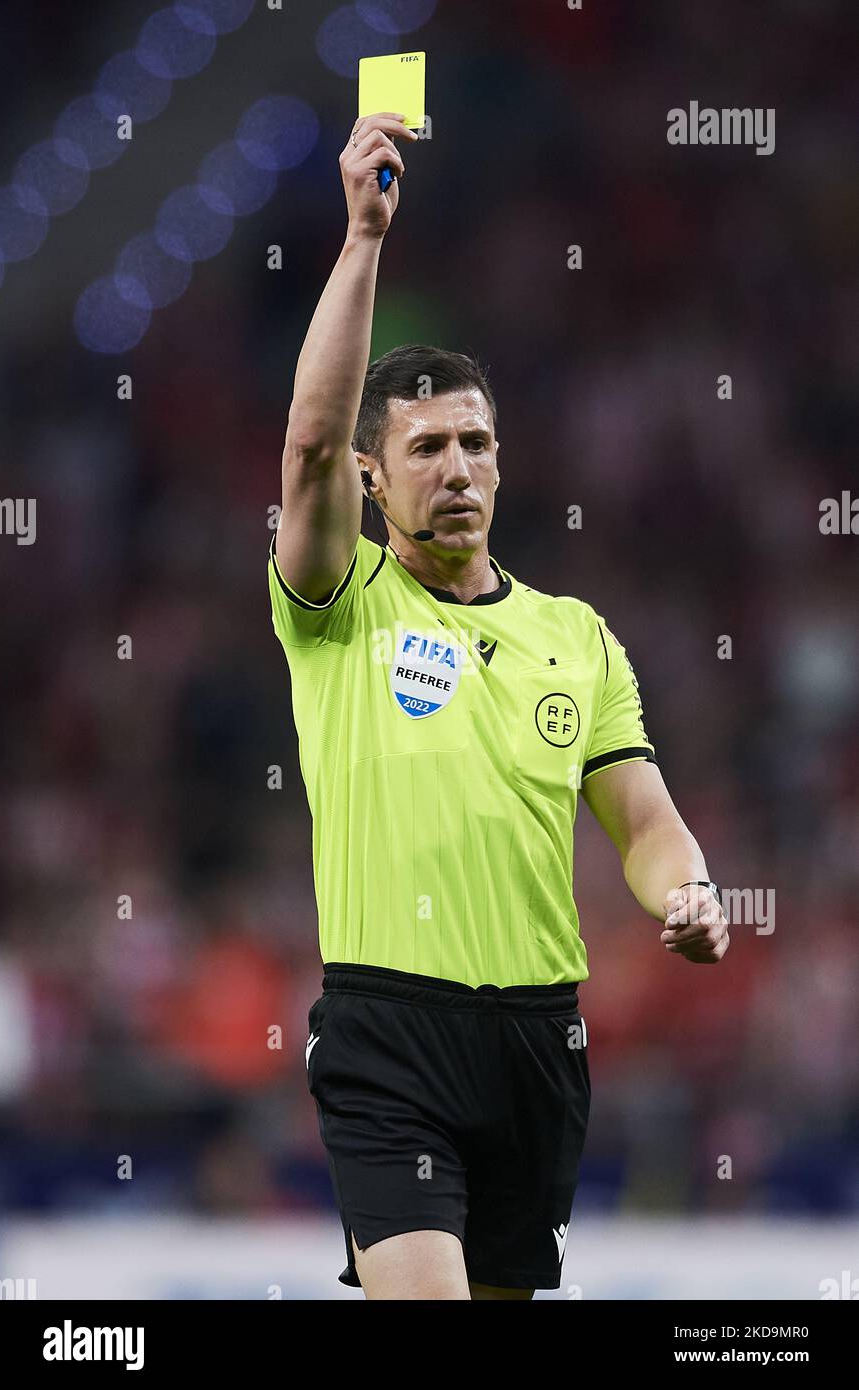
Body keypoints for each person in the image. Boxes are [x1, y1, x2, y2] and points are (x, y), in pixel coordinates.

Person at [268, 112, 730, 1300]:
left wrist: (682, 886)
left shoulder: (572, 636)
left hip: (537, 1039)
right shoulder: (342, 602)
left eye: (475, 442)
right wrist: (365, 236)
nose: (457, 467)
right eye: (424, 447)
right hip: (389, 1031)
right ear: (373, 479)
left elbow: (640, 819)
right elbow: (310, 440)